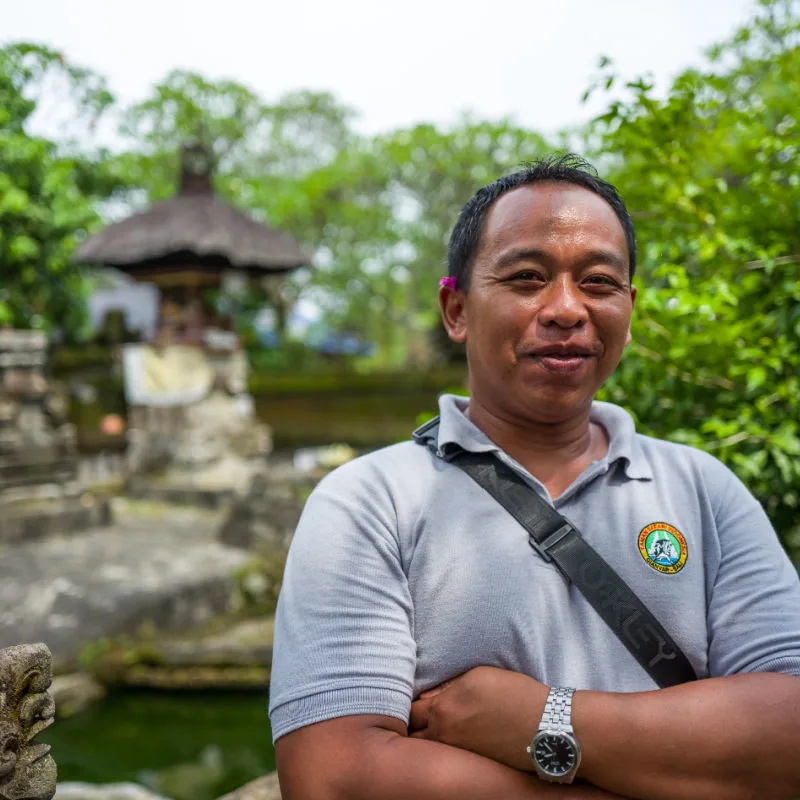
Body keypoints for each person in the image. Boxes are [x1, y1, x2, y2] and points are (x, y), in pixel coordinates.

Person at [269, 154, 800, 800]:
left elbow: (789, 734)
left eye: (599, 283)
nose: (567, 309)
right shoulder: (370, 504)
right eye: (527, 278)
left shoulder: (704, 490)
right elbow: (335, 778)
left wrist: (539, 718)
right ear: (456, 309)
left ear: (628, 310)